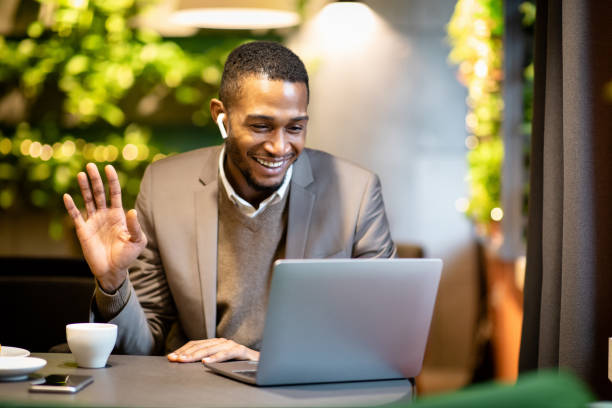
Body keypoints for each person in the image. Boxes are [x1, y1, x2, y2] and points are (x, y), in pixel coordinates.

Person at [63, 41, 396, 364]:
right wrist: (113, 280)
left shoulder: (358, 192)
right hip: (198, 394)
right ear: (220, 116)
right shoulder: (163, 186)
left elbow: (383, 339)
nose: (280, 147)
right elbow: (142, 348)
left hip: (305, 396)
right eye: (261, 126)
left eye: (295, 127)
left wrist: (257, 360)